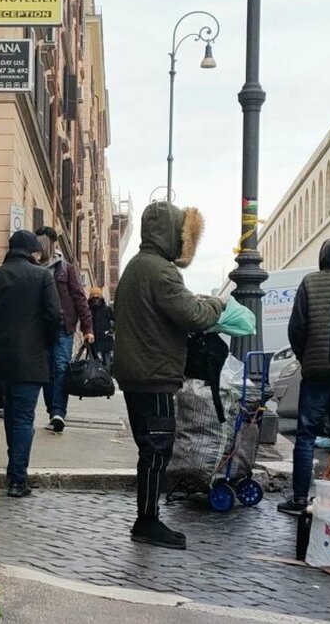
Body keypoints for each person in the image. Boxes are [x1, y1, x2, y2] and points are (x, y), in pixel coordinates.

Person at [113, 201, 226, 549]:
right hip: (154, 375)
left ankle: (147, 518)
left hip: (139, 372)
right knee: (157, 449)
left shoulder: (136, 267)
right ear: (171, 234)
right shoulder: (159, 271)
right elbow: (193, 315)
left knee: (151, 448)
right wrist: (216, 304)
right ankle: (146, 521)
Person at [0, 230, 63, 498]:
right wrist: (45, 342)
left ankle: (15, 472)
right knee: (23, 418)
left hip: (3, 357)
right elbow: (54, 317)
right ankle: (17, 479)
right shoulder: (42, 277)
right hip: (32, 358)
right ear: (33, 252)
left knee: (11, 414)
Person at [278, 239, 330, 516]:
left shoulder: (309, 282)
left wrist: (304, 356)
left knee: (306, 434)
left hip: (316, 370)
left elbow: (297, 327)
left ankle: (299, 498)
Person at [35, 226, 94, 433]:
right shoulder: (33, 267)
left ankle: (59, 412)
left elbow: (79, 297)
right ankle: (53, 411)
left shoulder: (66, 269)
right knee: (46, 372)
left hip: (63, 327)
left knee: (60, 368)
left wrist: (88, 327)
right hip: (41, 329)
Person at [88, 287, 115, 365]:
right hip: (92, 343)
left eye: (97, 297)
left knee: (107, 366)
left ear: (101, 298)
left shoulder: (107, 309)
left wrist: (111, 330)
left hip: (105, 341)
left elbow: (117, 319)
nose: (96, 300)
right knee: (93, 366)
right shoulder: (88, 310)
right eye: (94, 298)